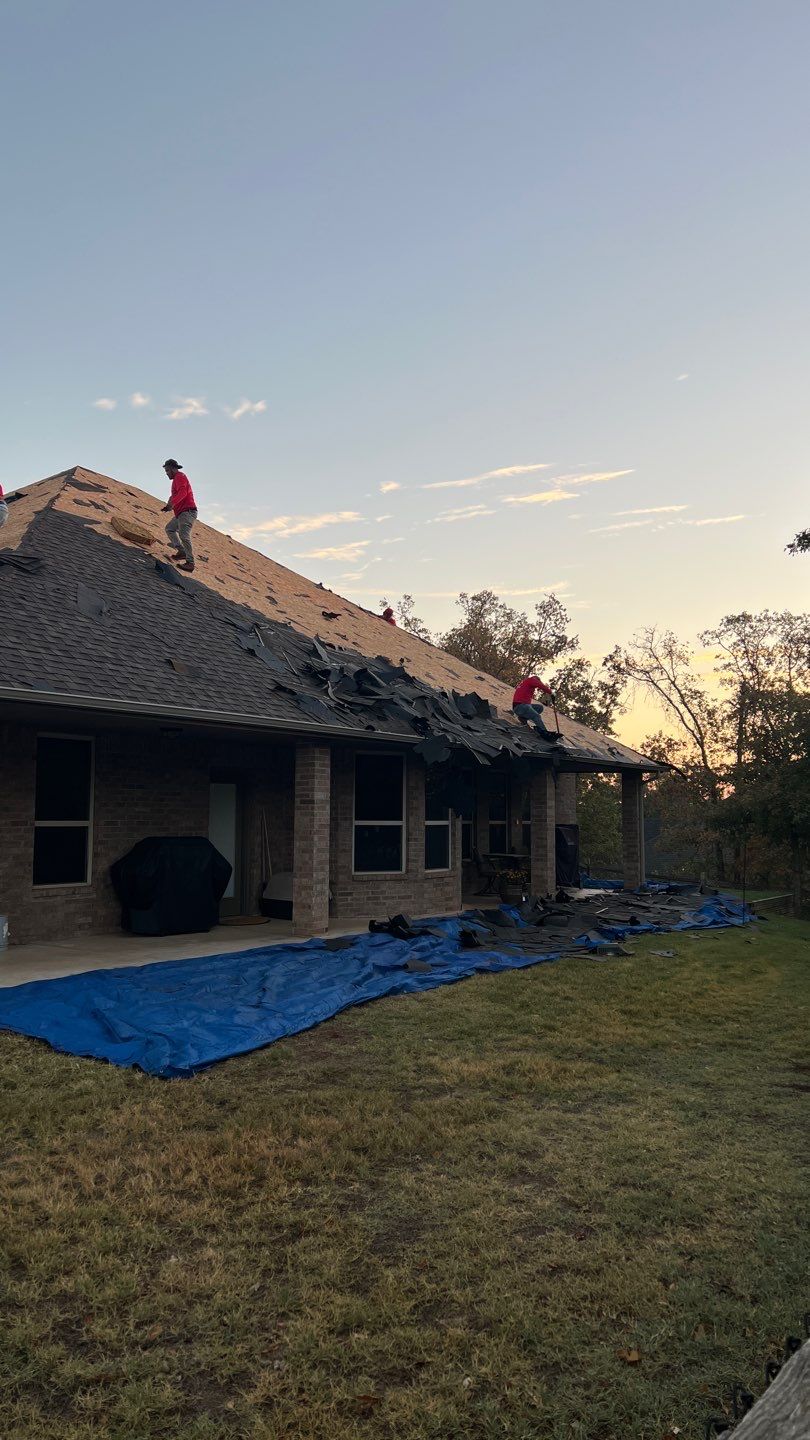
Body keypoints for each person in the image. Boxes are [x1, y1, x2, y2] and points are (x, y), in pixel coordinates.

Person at [161, 460, 197, 572]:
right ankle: (182, 552)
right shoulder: (176, 480)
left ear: (173, 469)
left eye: (167, 470)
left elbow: (183, 493)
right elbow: (174, 496)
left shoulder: (180, 477)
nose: (166, 473)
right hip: (181, 513)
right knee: (170, 529)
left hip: (187, 512)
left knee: (183, 535)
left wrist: (172, 504)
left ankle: (190, 563)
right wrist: (168, 506)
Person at [512, 675, 561, 741]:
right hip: (520, 706)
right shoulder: (531, 680)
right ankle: (544, 733)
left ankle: (523, 718)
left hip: (522, 706)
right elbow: (541, 685)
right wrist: (551, 693)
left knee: (539, 708)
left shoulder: (526, 683)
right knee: (536, 716)